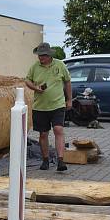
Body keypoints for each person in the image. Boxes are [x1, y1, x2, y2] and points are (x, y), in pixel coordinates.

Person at [24, 42, 72, 172]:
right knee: (43, 134)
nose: (41, 58)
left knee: (58, 129)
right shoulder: (35, 67)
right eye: (39, 55)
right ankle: (45, 160)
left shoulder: (60, 65)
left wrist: (69, 100)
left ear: (49, 55)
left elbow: (67, 82)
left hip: (58, 104)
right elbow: (27, 80)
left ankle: (61, 160)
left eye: (43, 55)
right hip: (40, 107)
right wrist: (35, 88)